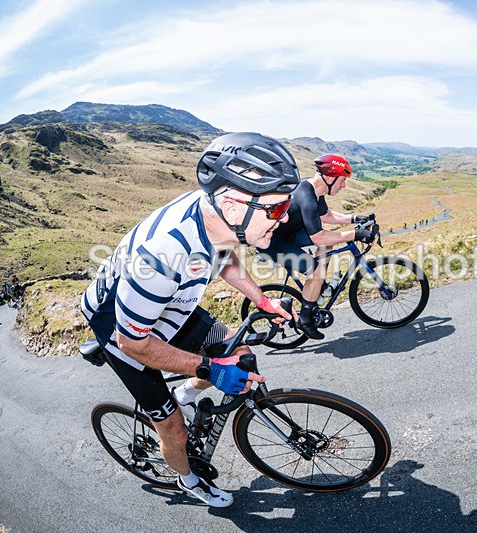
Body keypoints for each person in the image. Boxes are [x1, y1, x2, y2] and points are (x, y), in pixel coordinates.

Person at [80, 132, 299, 508]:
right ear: (233, 206)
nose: (284, 218)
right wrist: (210, 369)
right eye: (276, 209)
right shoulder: (161, 255)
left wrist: (261, 299)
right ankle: (188, 481)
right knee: (175, 430)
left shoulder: (219, 216)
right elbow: (134, 342)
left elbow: (224, 256)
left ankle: (187, 392)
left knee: (238, 351)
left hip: (170, 304)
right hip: (124, 331)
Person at [257, 153, 376, 340]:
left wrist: (355, 218)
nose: (344, 185)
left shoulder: (314, 190)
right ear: (329, 177)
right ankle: (305, 319)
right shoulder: (306, 196)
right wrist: (355, 234)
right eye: (342, 180)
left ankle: (317, 289)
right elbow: (318, 237)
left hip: (289, 234)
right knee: (316, 271)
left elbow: (326, 216)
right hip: (273, 243)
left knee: (327, 246)